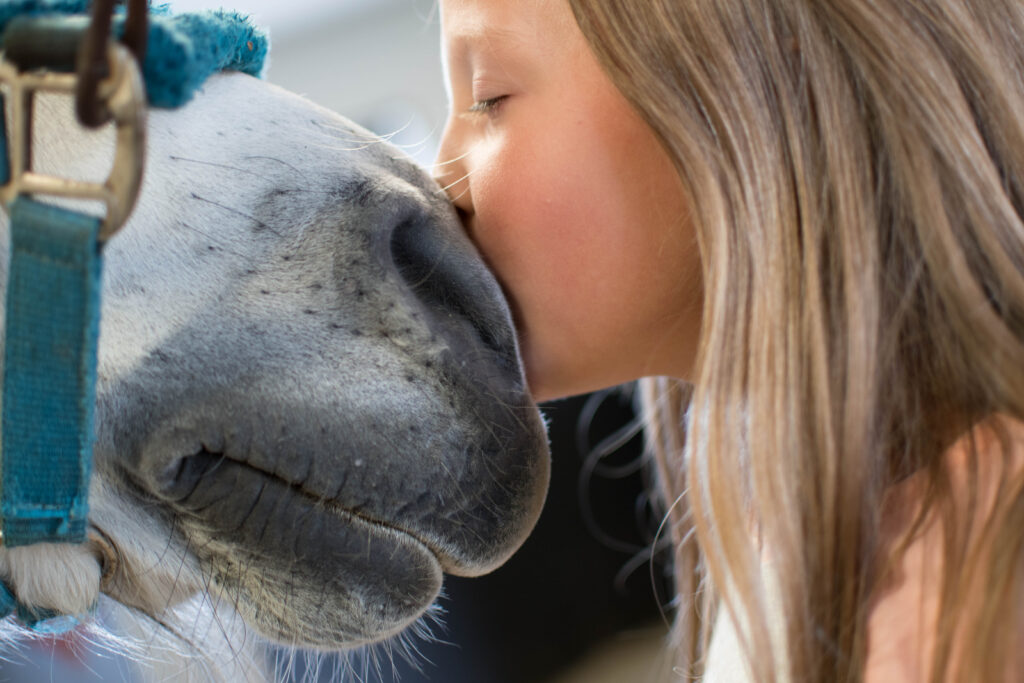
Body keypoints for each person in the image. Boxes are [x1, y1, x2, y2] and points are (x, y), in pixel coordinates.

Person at [433, 1, 1024, 681]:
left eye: (488, 97)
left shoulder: (980, 585)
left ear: (768, 74)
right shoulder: (784, 532)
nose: (442, 179)